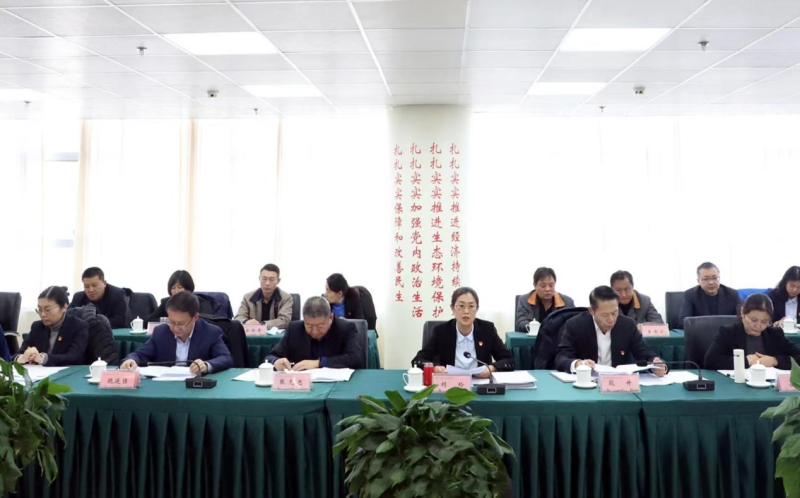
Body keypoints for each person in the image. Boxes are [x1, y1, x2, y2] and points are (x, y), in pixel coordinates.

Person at [555, 285, 666, 375]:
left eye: (614, 313)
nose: (611, 320)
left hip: (617, 384)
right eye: (605, 315)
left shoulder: (627, 325)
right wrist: (577, 364)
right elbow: (561, 357)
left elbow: (645, 353)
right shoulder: (575, 325)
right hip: (587, 382)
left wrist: (657, 365)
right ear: (591, 311)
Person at [120, 291, 233, 375]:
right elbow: (140, 354)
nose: (176, 327)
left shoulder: (210, 332)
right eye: (172, 322)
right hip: (167, 385)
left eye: (181, 323)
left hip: (195, 387)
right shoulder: (161, 332)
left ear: (195, 317)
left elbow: (226, 358)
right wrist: (131, 360)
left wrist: (206, 365)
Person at [412, 287, 514, 379]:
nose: (466, 311)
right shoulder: (441, 331)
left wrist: (492, 368)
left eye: (471, 306)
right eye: (461, 306)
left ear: (477, 309)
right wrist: (434, 368)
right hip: (450, 385)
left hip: (480, 385)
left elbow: (509, 360)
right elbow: (418, 360)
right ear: (453, 308)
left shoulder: (487, 330)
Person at [705, 293, 800, 370]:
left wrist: (775, 361)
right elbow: (710, 361)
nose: (758, 325)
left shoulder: (774, 334)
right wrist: (745, 361)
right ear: (742, 313)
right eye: (753, 320)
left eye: (764, 322)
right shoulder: (728, 333)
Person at [267, 296, 362, 370]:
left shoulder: (345, 328)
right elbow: (270, 356)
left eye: (320, 326)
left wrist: (319, 363)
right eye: (309, 326)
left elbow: (355, 358)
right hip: (302, 385)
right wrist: (276, 361)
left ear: (331, 318)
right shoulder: (294, 329)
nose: (315, 331)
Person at [16, 286, 88, 366]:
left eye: (47, 310)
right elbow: (18, 353)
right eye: (40, 310)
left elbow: (74, 357)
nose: (43, 314)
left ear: (64, 307)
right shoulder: (37, 327)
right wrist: (22, 358)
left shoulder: (78, 326)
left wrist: (43, 358)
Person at [235, 264, 293, 330]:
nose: (267, 283)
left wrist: (262, 324)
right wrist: (246, 322)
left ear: (278, 281)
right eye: (264, 279)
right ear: (259, 279)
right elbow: (238, 317)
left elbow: (285, 320)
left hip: (277, 335)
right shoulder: (247, 297)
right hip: (253, 334)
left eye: (271, 280)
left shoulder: (286, 298)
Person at [515, 267, 574, 332]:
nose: (547, 289)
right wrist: (535, 328)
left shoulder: (567, 302)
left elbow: (573, 324)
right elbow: (521, 322)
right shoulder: (524, 301)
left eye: (551, 285)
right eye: (543, 286)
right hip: (533, 337)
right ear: (535, 285)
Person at [147, 270, 216, 323]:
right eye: (173, 288)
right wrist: (169, 320)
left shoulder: (200, 302)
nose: (176, 291)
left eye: (180, 287)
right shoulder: (166, 302)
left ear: (188, 288)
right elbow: (148, 321)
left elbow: (207, 322)